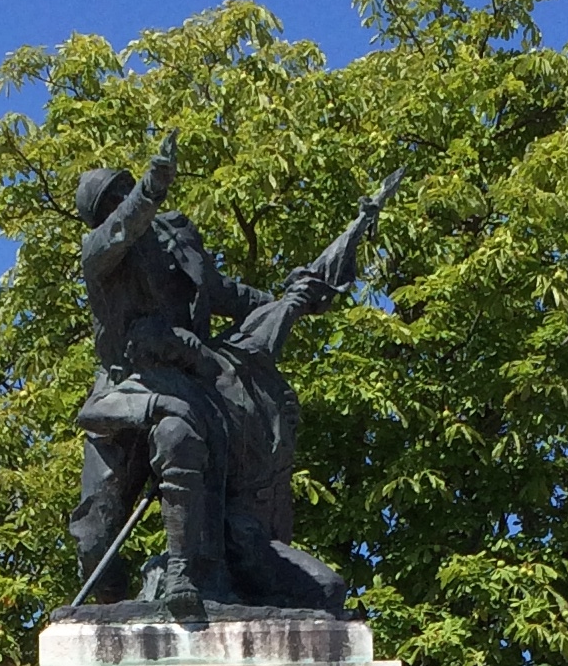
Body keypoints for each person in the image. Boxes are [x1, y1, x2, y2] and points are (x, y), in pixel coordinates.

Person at [69, 138, 401, 621]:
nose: (124, 201)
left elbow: (223, 291)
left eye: (125, 189)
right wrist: (150, 188)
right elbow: (122, 228)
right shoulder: (101, 252)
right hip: (127, 389)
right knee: (94, 539)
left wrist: (282, 299)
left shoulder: (176, 241)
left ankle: (184, 573)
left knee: (179, 433)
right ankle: (111, 612)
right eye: (113, 200)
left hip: (184, 380)